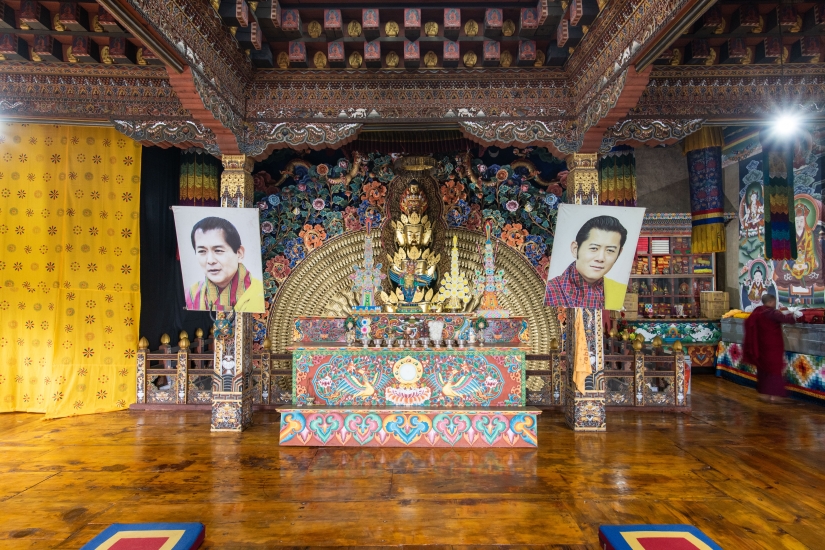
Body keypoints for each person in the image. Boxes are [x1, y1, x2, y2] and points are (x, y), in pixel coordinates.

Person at [544, 215, 627, 309]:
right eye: (594, 248)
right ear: (575, 249)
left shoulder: (619, 291)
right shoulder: (549, 290)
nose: (600, 258)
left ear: (619, 253)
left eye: (610, 250)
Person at [186, 217, 264, 313]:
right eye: (202, 251)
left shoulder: (261, 294)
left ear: (239, 253)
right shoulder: (191, 295)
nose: (210, 261)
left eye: (218, 250)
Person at [743, 294, 802, 403]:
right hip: (773, 346)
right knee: (774, 369)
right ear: (771, 302)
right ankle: (775, 396)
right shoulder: (772, 313)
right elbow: (789, 320)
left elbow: (748, 323)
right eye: (774, 301)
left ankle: (764, 394)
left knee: (763, 369)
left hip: (761, 346)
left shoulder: (757, 311)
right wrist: (793, 313)